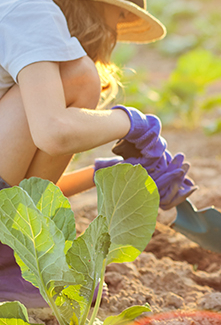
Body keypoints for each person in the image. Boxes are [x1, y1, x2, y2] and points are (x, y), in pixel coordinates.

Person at [0, 0, 195, 307]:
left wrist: (103, 171)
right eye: (119, 14)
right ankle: (9, 266)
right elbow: (55, 131)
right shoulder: (31, 9)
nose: (116, 30)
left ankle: (11, 263)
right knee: (79, 76)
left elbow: (25, 188)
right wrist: (133, 122)